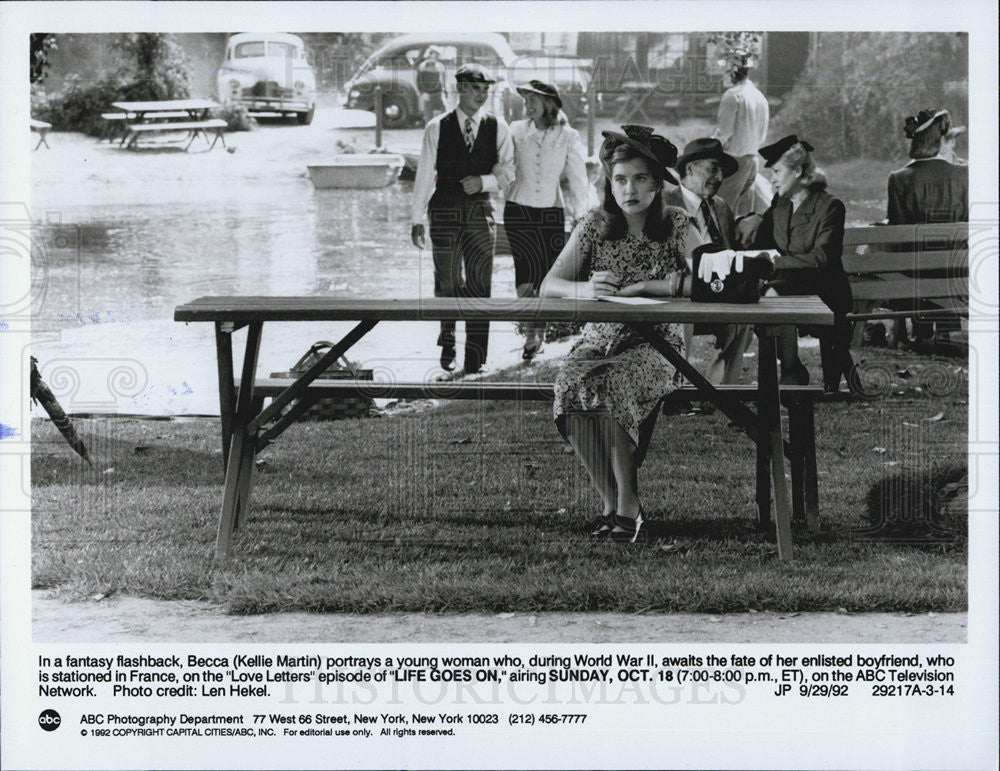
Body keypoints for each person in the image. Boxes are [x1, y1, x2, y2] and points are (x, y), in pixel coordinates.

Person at [540, 125, 700, 543]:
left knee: (611, 384)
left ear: (658, 182)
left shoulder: (678, 224)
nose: (629, 189)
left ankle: (628, 504)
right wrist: (583, 288)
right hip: (601, 338)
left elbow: (711, 279)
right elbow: (549, 286)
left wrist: (650, 286)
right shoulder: (595, 224)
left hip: (659, 344)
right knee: (570, 383)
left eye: (640, 178)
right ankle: (610, 502)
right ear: (609, 182)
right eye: (620, 179)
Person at [411, 63, 515, 375]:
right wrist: (416, 219)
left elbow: (509, 171)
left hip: (480, 212)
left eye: (486, 90)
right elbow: (425, 174)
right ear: (461, 89)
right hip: (443, 209)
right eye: (476, 89)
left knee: (480, 282)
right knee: (448, 281)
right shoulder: (436, 127)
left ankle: (475, 358)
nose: (482, 95)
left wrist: (483, 182)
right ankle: (447, 342)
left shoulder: (498, 127)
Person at [740, 135, 856, 393]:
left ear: (797, 171)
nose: (771, 179)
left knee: (772, 293)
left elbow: (821, 258)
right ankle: (791, 368)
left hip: (826, 291)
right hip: (788, 286)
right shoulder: (780, 205)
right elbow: (763, 246)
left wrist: (774, 262)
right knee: (768, 294)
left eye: (777, 171)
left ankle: (792, 371)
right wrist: (751, 221)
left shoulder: (830, 206)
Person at [505, 80, 589, 360]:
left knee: (546, 276)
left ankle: (538, 329)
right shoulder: (515, 131)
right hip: (518, 209)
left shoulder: (568, 136)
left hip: (552, 212)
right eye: (525, 99)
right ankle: (531, 333)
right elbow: (502, 165)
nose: (526, 105)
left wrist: (582, 214)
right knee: (524, 274)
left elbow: (578, 178)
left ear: (549, 103)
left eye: (532, 100)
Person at [664, 137, 753, 385]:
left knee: (743, 316)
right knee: (681, 317)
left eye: (722, 170)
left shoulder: (721, 207)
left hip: (716, 292)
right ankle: (674, 390)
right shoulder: (665, 204)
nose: (720, 176)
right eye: (714, 168)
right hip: (677, 294)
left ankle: (720, 391)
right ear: (690, 168)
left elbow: (731, 252)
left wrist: (751, 219)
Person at [886, 108, 968, 344]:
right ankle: (944, 330)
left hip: (915, 270)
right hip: (956, 270)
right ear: (942, 140)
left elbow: (897, 231)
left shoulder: (898, 178)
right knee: (951, 254)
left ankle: (921, 330)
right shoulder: (965, 174)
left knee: (910, 257)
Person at [712, 47, 769, 217]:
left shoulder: (732, 95)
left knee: (721, 210)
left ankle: (722, 243)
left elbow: (724, 134)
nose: (723, 75)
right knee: (744, 213)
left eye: (725, 71)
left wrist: (707, 147)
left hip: (733, 161)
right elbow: (761, 136)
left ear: (731, 72)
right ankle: (738, 243)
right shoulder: (760, 97)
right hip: (752, 160)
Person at [416, 45, 448, 124]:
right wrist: (423, 93)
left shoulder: (440, 66)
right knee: (428, 117)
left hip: (439, 93)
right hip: (428, 94)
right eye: (434, 54)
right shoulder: (422, 67)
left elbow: (444, 80)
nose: (435, 56)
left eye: (437, 54)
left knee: (445, 114)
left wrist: (445, 92)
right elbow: (419, 81)